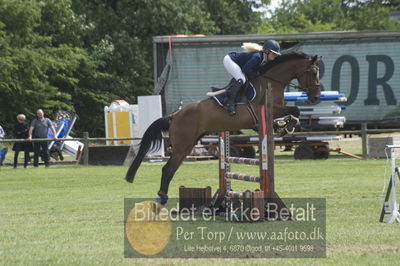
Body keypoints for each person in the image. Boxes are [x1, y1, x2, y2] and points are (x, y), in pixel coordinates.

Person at [222, 40, 281, 115]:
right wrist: (257, 74)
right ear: (267, 51)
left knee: (243, 80)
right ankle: (229, 103)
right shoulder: (257, 57)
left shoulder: (264, 59)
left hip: (236, 63)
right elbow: (245, 70)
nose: (275, 56)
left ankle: (236, 99)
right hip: (230, 60)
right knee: (241, 79)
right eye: (274, 53)